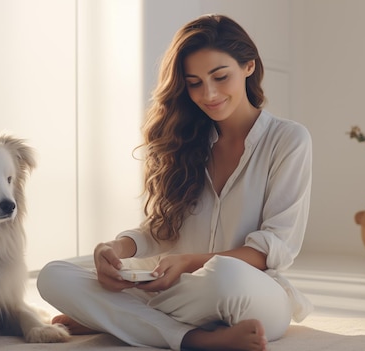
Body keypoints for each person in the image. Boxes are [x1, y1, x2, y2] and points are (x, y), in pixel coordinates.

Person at [37, 14, 312, 351]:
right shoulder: (183, 141)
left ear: (249, 66)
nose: (208, 94)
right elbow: (161, 229)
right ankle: (193, 339)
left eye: (220, 76)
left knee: (224, 275)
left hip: (248, 293)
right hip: (177, 290)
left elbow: (272, 249)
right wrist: (116, 248)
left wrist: (189, 262)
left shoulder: (289, 140)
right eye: (194, 82)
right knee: (54, 274)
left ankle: (115, 317)